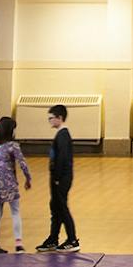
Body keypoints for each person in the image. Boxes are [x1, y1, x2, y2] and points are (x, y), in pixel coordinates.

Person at [0, 113, 32, 253]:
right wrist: (28, 178)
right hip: (9, 182)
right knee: (15, 212)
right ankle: (18, 243)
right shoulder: (13, 146)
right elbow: (22, 163)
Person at [40, 103, 80, 251]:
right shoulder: (60, 134)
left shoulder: (63, 135)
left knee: (62, 208)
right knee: (55, 207)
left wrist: (57, 177)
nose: (49, 121)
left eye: (51, 118)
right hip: (58, 177)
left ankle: (72, 239)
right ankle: (53, 238)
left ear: (60, 118)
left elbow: (62, 158)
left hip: (61, 178)